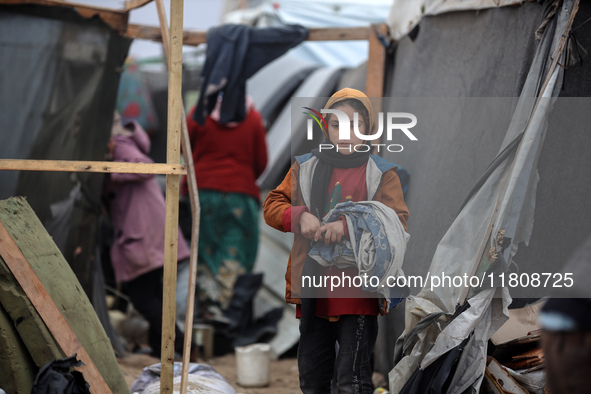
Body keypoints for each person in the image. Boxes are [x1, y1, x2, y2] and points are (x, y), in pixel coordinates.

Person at [263, 88, 410, 393]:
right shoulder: (304, 167)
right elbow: (272, 205)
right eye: (336, 125)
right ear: (325, 127)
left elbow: (396, 223)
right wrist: (299, 216)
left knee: (351, 379)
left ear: (368, 129)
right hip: (313, 287)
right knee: (312, 379)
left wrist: (349, 225)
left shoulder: (381, 174)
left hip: (358, 291)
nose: (345, 134)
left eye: (355, 125)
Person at [104, 113, 190, 358]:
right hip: (149, 228)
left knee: (142, 296)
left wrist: (109, 172)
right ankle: (161, 346)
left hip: (142, 231)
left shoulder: (119, 145)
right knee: (154, 293)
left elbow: (145, 168)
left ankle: (181, 343)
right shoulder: (123, 143)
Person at [183, 95, 268, 319]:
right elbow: (262, 161)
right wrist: (240, 177)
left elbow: (183, 148)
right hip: (240, 195)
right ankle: (226, 311)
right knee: (236, 254)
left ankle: (206, 309)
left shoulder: (197, 114)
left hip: (201, 192)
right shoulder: (253, 118)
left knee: (202, 253)